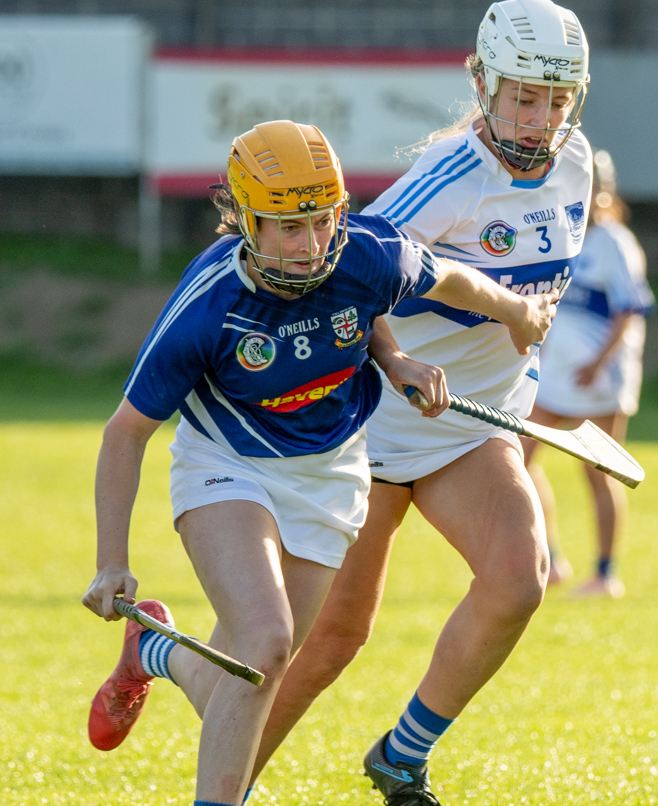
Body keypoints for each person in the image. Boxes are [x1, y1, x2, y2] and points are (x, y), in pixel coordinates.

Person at [80, 119, 554, 806]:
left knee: (248, 675)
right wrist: (110, 558)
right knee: (266, 642)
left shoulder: (360, 254)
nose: (310, 247)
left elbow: (444, 278)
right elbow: (125, 433)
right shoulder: (208, 304)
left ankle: (156, 651)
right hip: (227, 467)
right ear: (246, 220)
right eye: (287, 228)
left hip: (330, 477)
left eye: (323, 222)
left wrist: (499, 319)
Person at [246, 2, 592, 804]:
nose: (541, 120)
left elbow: (535, 279)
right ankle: (224, 788)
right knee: (331, 639)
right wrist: (395, 357)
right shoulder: (447, 180)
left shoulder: (578, 167)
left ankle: (402, 754)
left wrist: (514, 337)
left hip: (472, 424)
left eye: (558, 99)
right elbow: (336, 286)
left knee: (518, 580)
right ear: (481, 83)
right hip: (372, 421)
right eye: (522, 98)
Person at [522, 149, 654, 598]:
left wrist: (598, 364)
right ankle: (552, 559)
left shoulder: (616, 242)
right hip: (556, 373)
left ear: (605, 193)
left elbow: (630, 310)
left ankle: (605, 572)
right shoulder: (562, 234)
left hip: (599, 377)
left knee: (599, 474)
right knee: (518, 458)